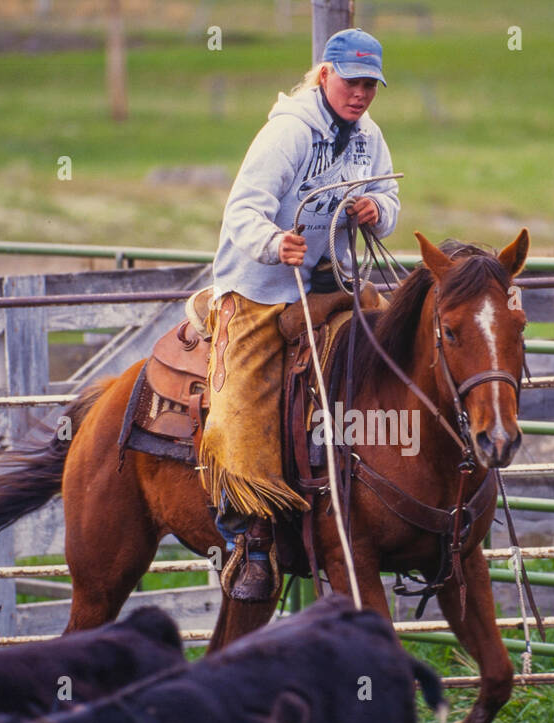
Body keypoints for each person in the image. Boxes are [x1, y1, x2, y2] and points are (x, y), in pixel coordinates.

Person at [199, 28, 400, 602]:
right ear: (324, 76)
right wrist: (272, 243)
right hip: (260, 287)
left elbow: (389, 198)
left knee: (391, 349)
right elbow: (243, 211)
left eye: (370, 85)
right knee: (245, 397)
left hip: (332, 281)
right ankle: (250, 535)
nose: (361, 94)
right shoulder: (286, 133)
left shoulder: (369, 138)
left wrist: (375, 210)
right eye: (352, 81)